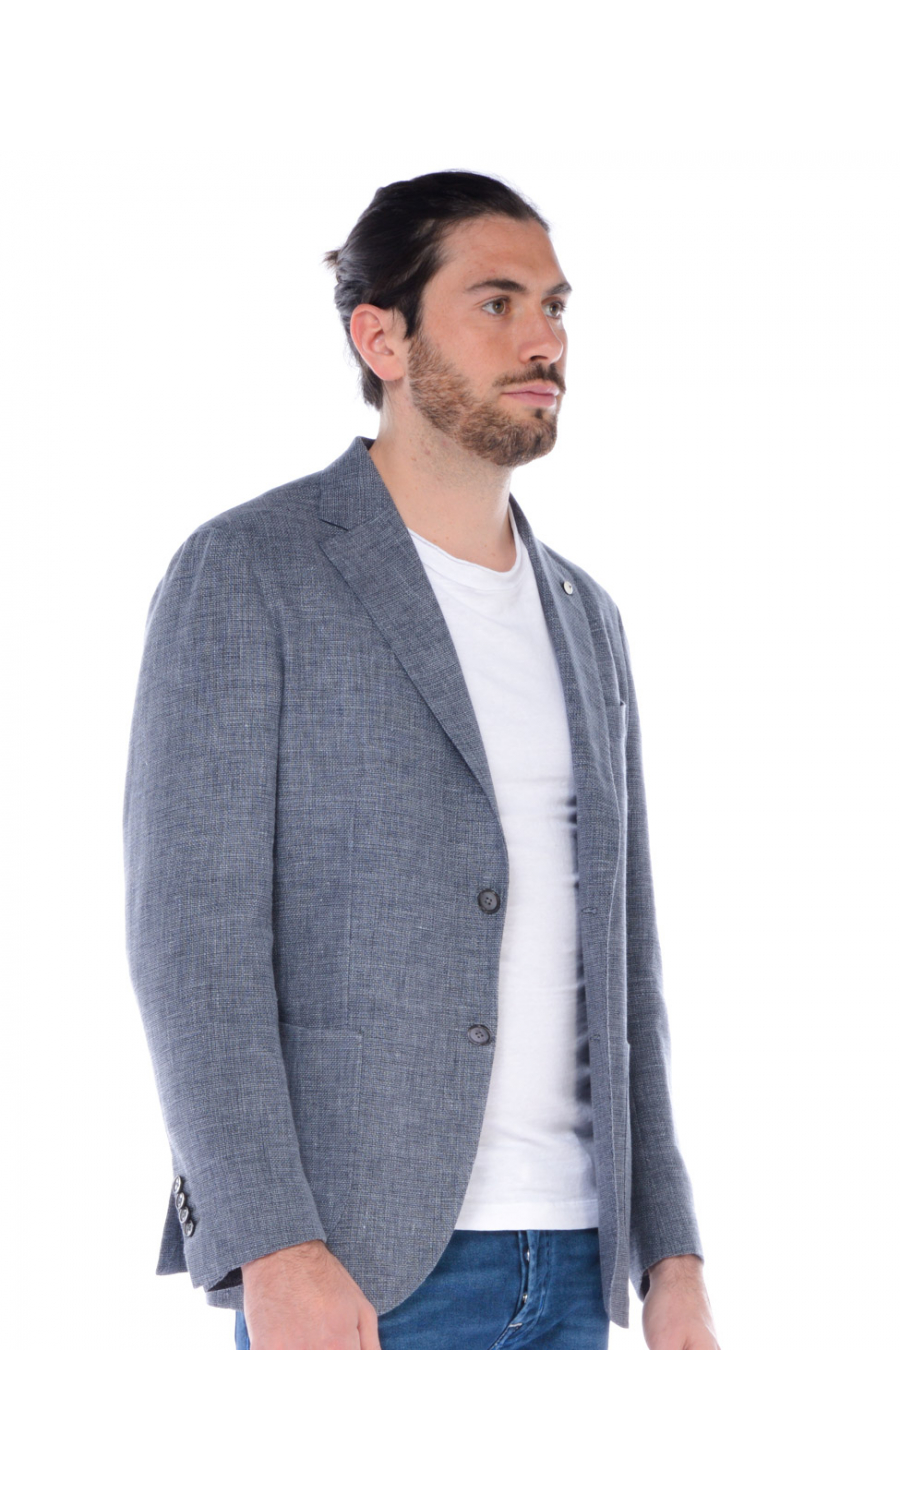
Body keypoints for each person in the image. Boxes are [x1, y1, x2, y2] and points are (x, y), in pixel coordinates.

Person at [123, 169, 719, 1351]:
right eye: (496, 303)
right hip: (357, 1268)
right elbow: (193, 945)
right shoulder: (251, 571)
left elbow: (628, 960)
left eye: (555, 306)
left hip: (576, 1264)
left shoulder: (586, 617)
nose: (545, 339)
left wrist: (672, 1249)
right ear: (381, 338)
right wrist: (272, 1244)